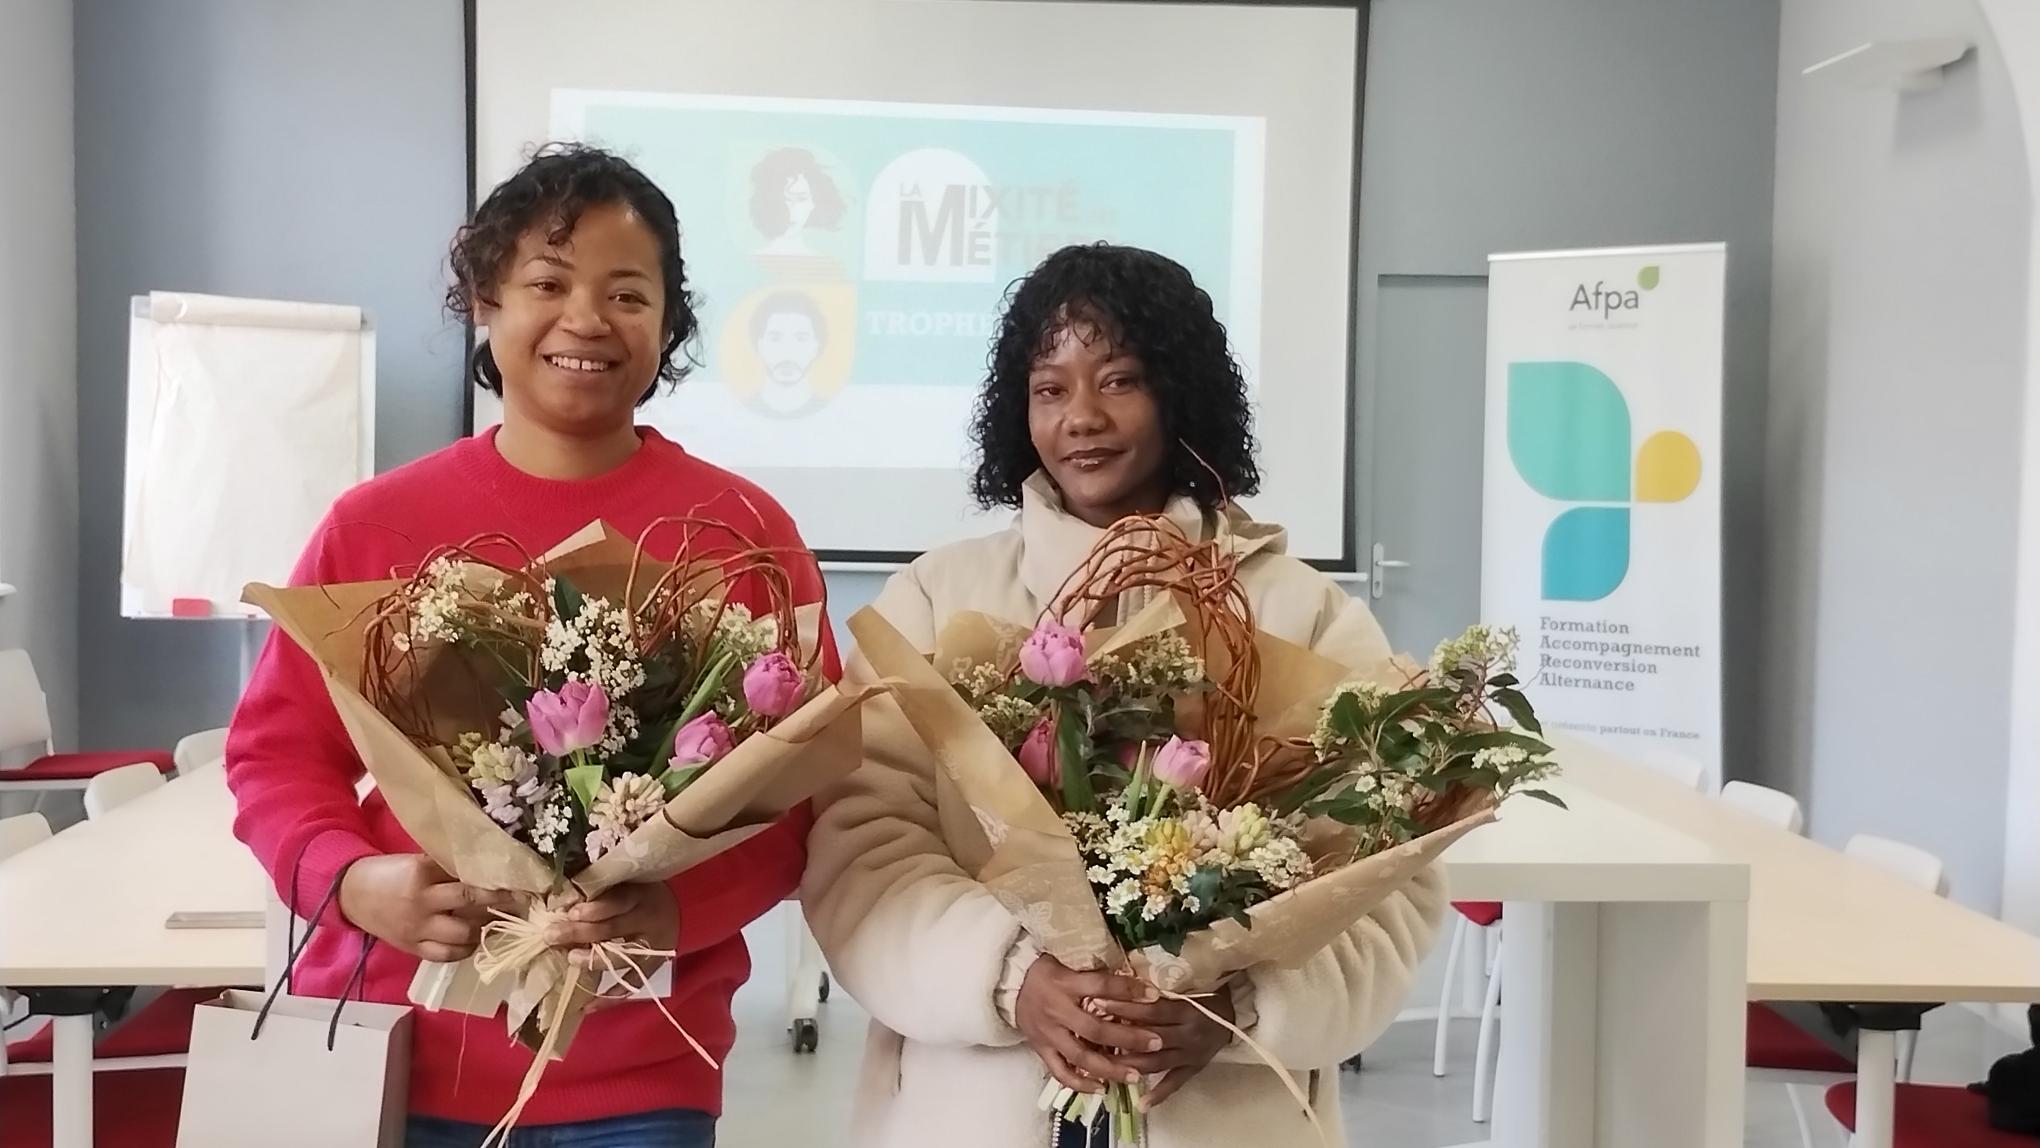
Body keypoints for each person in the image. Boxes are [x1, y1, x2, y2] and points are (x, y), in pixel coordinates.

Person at [225, 143, 831, 1148]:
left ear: (670, 321)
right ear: (484, 300)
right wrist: (350, 881)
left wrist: (677, 912)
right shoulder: (374, 523)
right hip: (391, 1048)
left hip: (644, 1067)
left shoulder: (740, 530)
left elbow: (803, 788)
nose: (587, 319)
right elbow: (277, 758)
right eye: (548, 282)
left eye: (628, 293)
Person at [802, 243, 1446, 1147]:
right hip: (973, 1102)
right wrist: (1009, 978)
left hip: (1228, 1108)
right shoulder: (939, 601)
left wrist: (1241, 1004)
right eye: (1051, 388)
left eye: (1120, 380)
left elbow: (1391, 877)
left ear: (1179, 392)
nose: (1083, 419)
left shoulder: (1301, 613)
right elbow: (862, 848)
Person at [746, 289, 829, 417]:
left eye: (801, 338)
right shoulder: (736, 409)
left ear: (816, 347)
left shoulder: (833, 414)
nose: (787, 351)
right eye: (775, 338)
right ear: (760, 345)